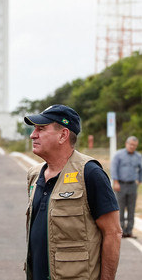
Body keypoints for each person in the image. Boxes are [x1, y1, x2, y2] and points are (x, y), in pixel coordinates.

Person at [24, 104, 121, 280]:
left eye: (41, 129)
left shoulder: (90, 173)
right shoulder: (34, 175)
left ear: (63, 135)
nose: (33, 134)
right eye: (34, 129)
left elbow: (113, 233)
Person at [111, 135, 141, 238]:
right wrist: (115, 182)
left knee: (131, 209)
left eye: (134, 145)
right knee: (120, 208)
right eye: (131, 144)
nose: (132, 147)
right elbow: (114, 168)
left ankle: (129, 231)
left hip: (132, 185)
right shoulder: (119, 155)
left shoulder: (138, 157)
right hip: (120, 185)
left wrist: (139, 181)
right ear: (126, 144)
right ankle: (121, 231)